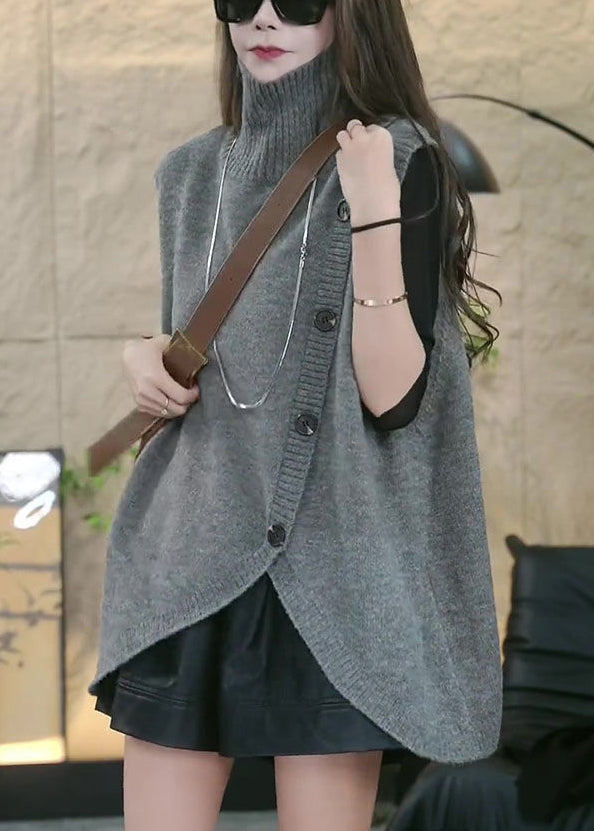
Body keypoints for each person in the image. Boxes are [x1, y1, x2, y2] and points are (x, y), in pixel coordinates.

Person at [88, 2, 503, 829]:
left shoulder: (399, 158)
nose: (265, 19)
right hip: (193, 557)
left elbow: (394, 397)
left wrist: (374, 207)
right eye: (241, 0)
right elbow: (208, 337)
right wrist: (144, 353)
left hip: (337, 572)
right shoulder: (188, 174)